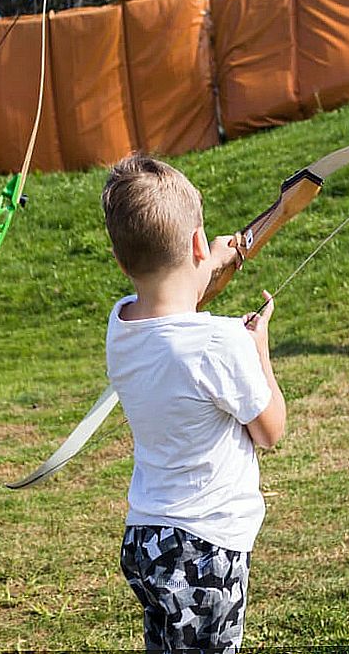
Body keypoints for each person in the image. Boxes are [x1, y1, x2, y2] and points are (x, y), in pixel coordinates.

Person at [101, 153, 286, 652]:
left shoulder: (122, 325)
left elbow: (170, 312)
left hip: (148, 540)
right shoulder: (221, 343)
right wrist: (258, 347)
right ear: (198, 244)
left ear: (121, 262)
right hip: (206, 548)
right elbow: (270, 431)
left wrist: (206, 262)